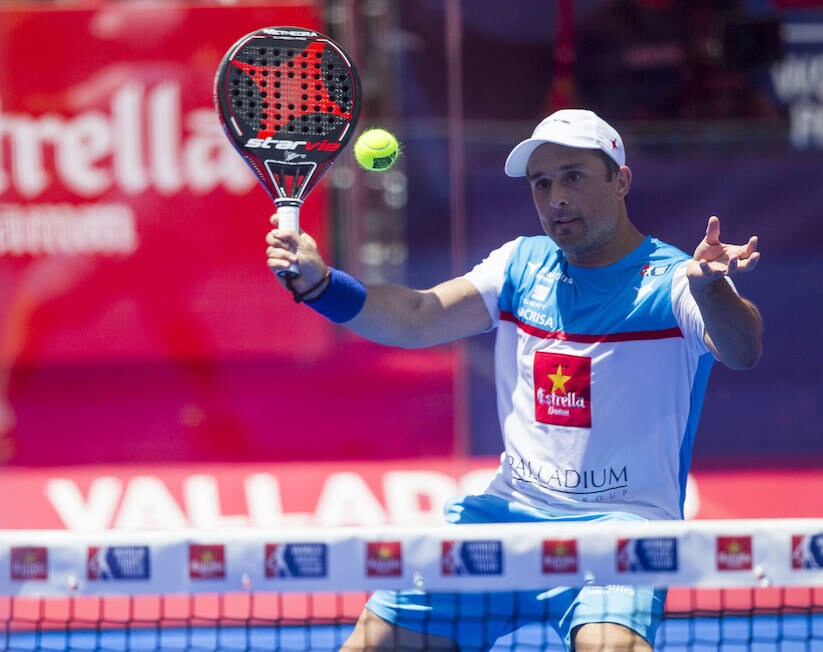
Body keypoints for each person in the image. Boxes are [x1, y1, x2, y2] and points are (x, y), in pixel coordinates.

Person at [265, 108, 762, 651]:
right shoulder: (520, 264)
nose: (555, 199)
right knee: (373, 643)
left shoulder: (672, 281)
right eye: (541, 183)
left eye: (573, 176)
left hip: (622, 527)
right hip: (506, 515)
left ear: (620, 181)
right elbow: (416, 316)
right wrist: (320, 285)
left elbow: (741, 350)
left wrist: (713, 290)